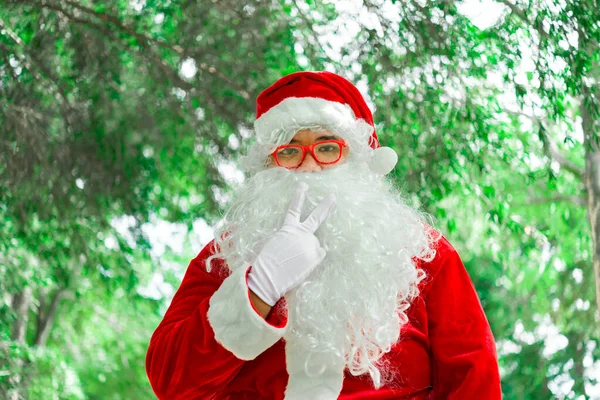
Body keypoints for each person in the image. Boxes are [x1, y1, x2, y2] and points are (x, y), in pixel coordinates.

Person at [145, 71, 502, 400]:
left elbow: (474, 378)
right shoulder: (227, 254)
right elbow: (171, 381)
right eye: (289, 151)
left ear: (359, 160)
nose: (309, 165)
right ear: (268, 164)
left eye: (328, 147)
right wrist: (259, 289)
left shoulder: (422, 252)